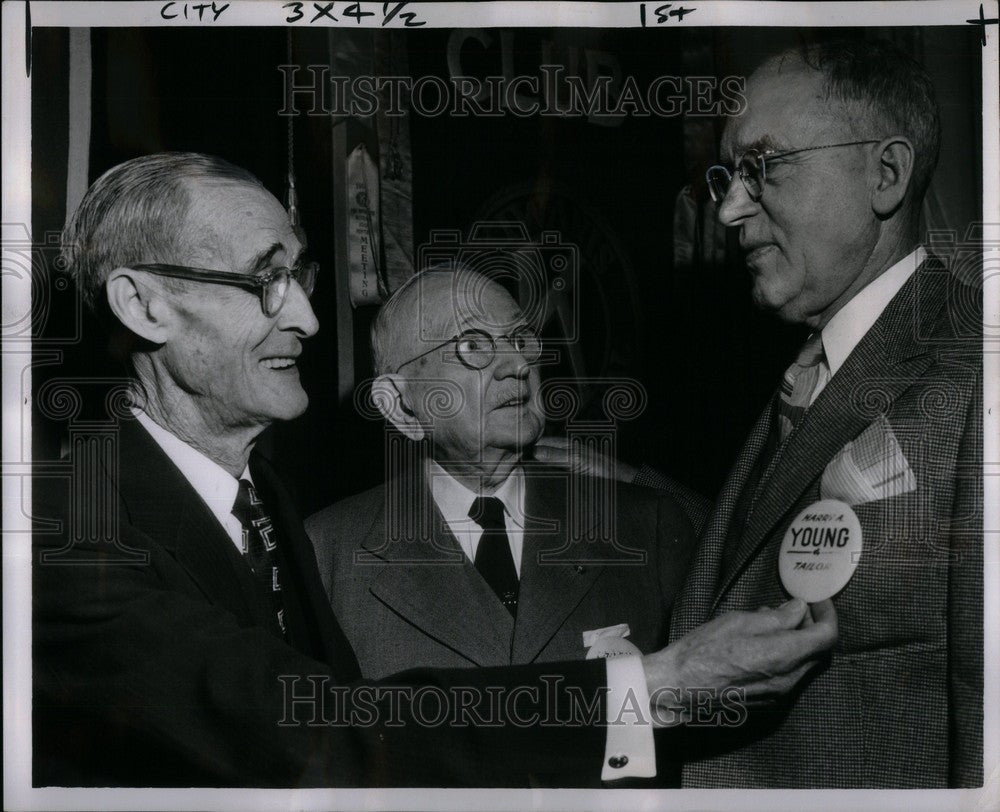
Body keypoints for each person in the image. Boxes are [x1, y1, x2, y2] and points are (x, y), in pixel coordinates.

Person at [32, 151, 838, 788]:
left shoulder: (261, 499)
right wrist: (658, 683)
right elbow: (329, 731)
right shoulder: (67, 537)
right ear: (141, 307)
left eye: (301, 275)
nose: (309, 318)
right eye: (263, 279)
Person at [665, 39, 983, 788]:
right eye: (727, 175)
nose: (731, 207)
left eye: (763, 168)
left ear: (885, 174)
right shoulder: (812, 371)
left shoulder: (976, 366)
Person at [307, 268, 697, 689]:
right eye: (473, 345)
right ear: (402, 407)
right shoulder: (326, 555)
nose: (517, 364)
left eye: (522, 340)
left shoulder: (645, 527)